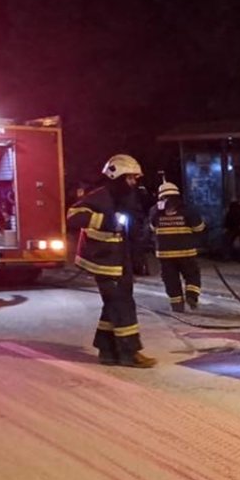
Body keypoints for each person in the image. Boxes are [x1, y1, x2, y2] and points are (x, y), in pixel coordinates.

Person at [66, 154, 157, 368]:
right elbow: (73, 215)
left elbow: (132, 228)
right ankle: (130, 352)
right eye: (130, 178)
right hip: (102, 260)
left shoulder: (126, 198)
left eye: (136, 179)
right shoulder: (101, 195)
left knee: (113, 303)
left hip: (119, 258)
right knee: (122, 303)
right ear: (117, 176)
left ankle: (107, 351)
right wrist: (105, 221)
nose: (134, 183)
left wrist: (138, 255)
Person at [148, 181, 205, 312]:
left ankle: (177, 305)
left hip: (165, 254)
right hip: (186, 252)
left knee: (170, 280)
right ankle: (191, 296)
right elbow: (199, 228)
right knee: (192, 275)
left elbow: (151, 228)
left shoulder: (154, 211)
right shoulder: (188, 210)